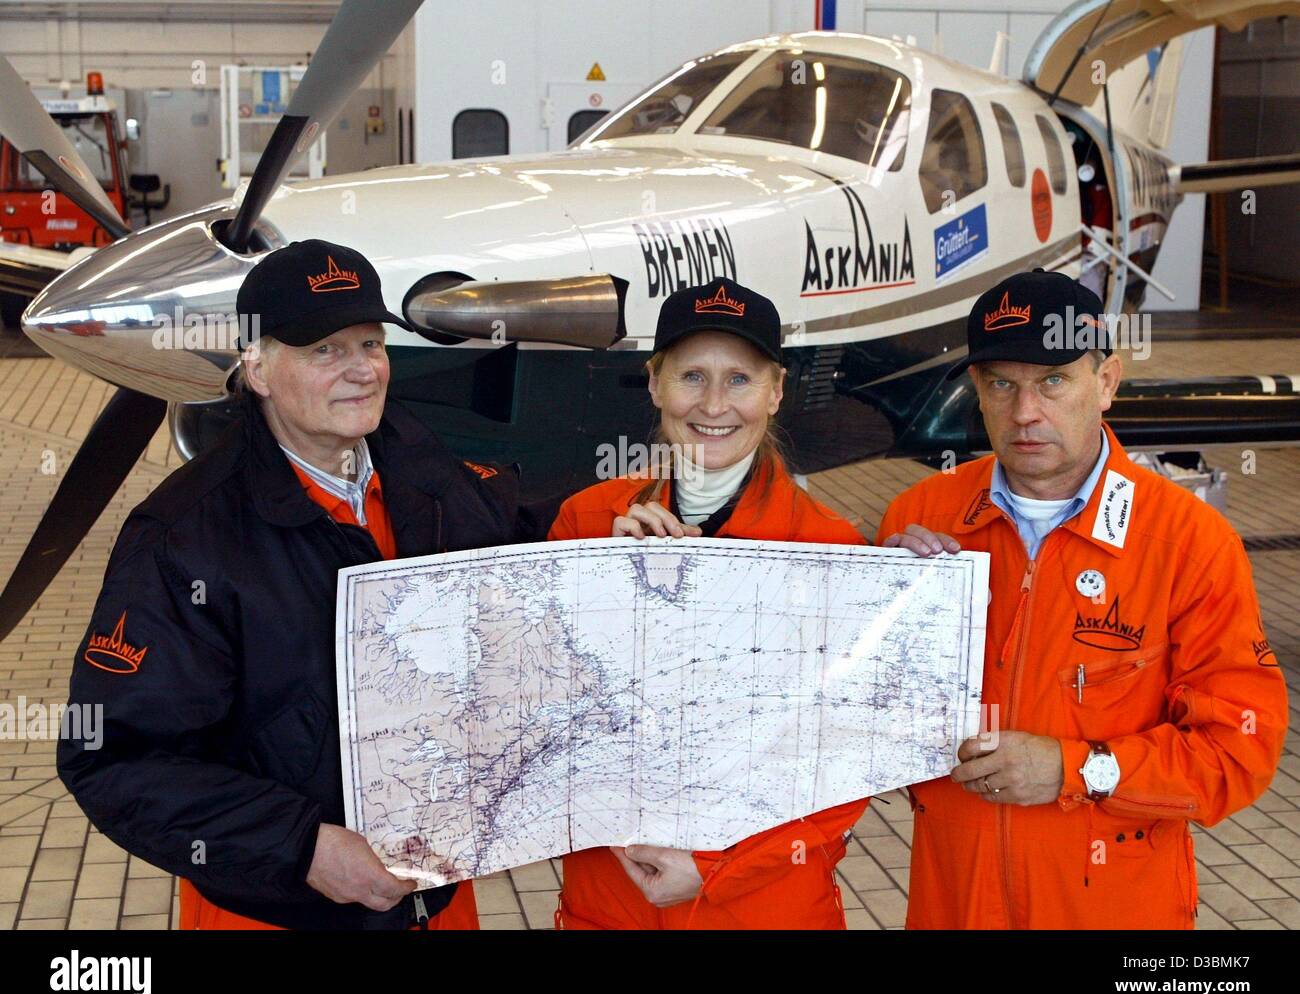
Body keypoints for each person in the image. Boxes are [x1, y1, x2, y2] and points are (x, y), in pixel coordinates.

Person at [58, 239, 525, 929]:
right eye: (324, 351)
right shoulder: (184, 537)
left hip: (437, 898)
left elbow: (525, 574)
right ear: (258, 367)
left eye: (370, 342)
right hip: (276, 911)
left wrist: (627, 527)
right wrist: (301, 845)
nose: (361, 370)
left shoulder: (435, 477)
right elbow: (114, 759)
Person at [876, 268, 1288, 929]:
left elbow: (1238, 753)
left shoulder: (1188, 541)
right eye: (1001, 384)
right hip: (953, 905)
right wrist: (877, 617)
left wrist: (1081, 769)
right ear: (976, 392)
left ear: (1106, 383)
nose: (1025, 412)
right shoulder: (924, 515)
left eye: (1053, 381)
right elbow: (862, 723)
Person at [547, 277, 875, 929]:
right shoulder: (586, 522)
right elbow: (535, 713)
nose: (714, 404)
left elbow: (854, 757)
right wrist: (601, 585)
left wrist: (720, 864)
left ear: (776, 390)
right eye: (692, 376)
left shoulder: (828, 548)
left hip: (762, 905)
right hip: (612, 902)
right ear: (654, 383)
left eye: (740, 380)